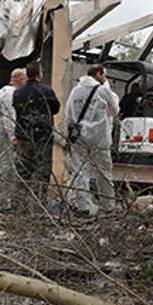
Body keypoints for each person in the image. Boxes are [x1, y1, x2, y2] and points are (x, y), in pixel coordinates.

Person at [63, 64, 120, 217]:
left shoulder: (75, 91)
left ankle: (83, 207)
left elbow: (68, 115)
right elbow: (114, 112)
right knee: (103, 172)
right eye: (104, 76)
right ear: (100, 74)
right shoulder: (103, 91)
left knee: (79, 171)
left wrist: (69, 133)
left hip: (79, 136)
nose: (105, 79)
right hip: (100, 137)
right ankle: (107, 205)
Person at [12, 60, 60, 206]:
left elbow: (17, 111)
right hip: (43, 139)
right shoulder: (47, 91)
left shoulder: (18, 93)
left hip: (23, 138)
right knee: (42, 173)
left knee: (23, 174)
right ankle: (39, 206)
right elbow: (55, 109)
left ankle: (20, 206)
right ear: (39, 74)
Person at [0, 67, 26, 213]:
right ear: (20, 80)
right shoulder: (10, 94)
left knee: (6, 168)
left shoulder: (3, 91)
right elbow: (9, 119)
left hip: (0, 134)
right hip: (4, 136)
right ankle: (3, 205)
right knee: (5, 169)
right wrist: (14, 139)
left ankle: (5, 202)